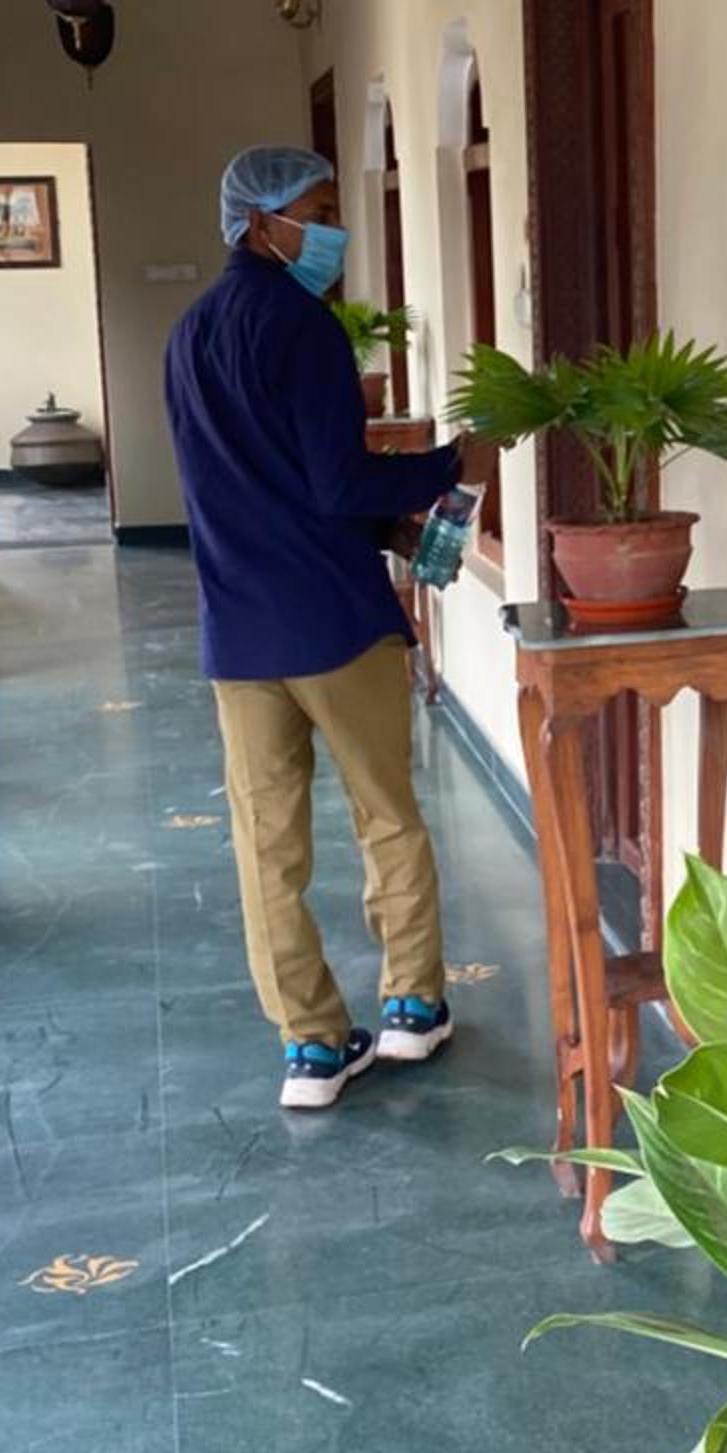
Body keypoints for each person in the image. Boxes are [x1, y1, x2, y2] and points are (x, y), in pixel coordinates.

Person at [165, 144, 480, 1111]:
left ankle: (309, 1046)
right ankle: (413, 1005)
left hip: (239, 632)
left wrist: (383, 519)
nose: (335, 229)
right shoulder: (303, 328)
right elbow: (338, 482)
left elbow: (252, 485)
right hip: (336, 621)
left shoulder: (188, 335)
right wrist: (450, 463)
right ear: (263, 222)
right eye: (322, 210)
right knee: (386, 812)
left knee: (267, 844)